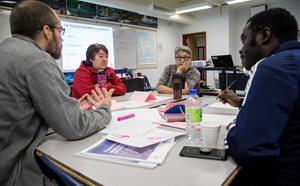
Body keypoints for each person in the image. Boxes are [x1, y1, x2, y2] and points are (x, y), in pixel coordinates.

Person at [0, 1, 114, 185]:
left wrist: (72, 107)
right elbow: (74, 127)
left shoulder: (6, 50)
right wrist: (104, 110)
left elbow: (19, 110)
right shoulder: (38, 60)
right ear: (47, 31)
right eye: (60, 31)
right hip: (13, 172)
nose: (61, 38)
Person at [217, 8, 300, 185]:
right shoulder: (293, 59)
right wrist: (241, 103)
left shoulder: (272, 66)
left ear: (264, 35)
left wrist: (231, 128)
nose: (241, 49)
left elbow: (248, 149)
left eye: (244, 39)